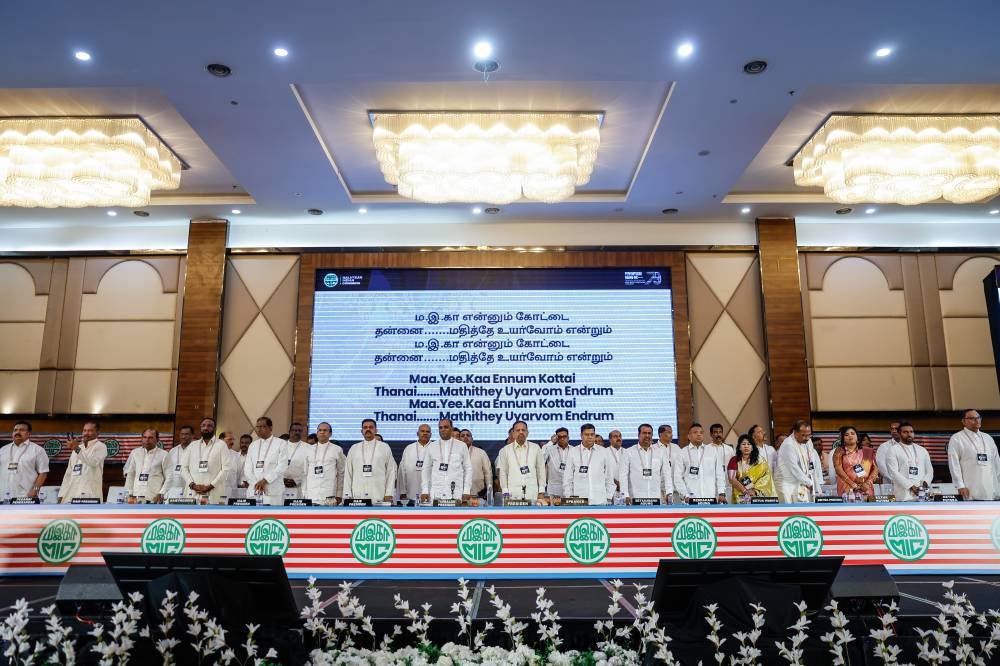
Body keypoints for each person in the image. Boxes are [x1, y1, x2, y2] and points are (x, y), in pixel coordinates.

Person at [948, 409, 1000, 500]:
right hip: (970, 490)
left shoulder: (988, 438)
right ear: (963, 421)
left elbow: (997, 463)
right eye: (972, 418)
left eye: (978, 417)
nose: (977, 420)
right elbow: (954, 464)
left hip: (992, 489)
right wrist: (960, 485)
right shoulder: (957, 438)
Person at [344, 419, 397, 502]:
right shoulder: (354, 448)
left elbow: (391, 472)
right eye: (365, 427)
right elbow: (348, 473)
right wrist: (347, 494)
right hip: (357, 495)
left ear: (376, 430)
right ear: (361, 431)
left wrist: (389, 493)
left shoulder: (384, 447)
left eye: (371, 427)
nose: (368, 429)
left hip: (379, 494)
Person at [562, 423, 615, 505]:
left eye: (592, 434)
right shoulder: (573, 452)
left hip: (600, 500)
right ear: (581, 435)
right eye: (587, 434)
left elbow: (609, 477)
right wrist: (569, 498)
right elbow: (567, 478)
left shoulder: (604, 452)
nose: (590, 437)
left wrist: (608, 497)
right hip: (579, 501)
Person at [421, 418, 471, 503]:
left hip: (456, 493)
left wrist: (466, 490)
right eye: (440, 428)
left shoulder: (461, 446)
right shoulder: (432, 446)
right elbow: (426, 469)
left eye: (446, 427)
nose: (443, 430)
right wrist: (425, 490)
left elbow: (468, 469)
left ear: (451, 428)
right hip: (436, 492)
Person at [673, 423, 727, 503]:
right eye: (695, 432)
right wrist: (685, 494)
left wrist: (721, 493)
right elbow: (677, 477)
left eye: (701, 432)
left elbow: (720, 474)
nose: (699, 434)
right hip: (690, 499)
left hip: (710, 497)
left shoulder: (712, 451)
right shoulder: (682, 453)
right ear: (689, 436)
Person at [774, 420, 823, 503]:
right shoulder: (788, 445)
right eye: (803, 435)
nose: (806, 438)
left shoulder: (808, 441)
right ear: (795, 433)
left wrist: (813, 480)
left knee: (803, 507)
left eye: (809, 435)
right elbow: (794, 468)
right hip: (786, 484)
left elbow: (810, 460)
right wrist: (809, 482)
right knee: (789, 510)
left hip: (800, 482)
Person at [185, 417, 232, 504]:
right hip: (193, 492)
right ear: (200, 427)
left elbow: (226, 469)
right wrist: (193, 485)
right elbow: (184, 468)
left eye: (209, 426)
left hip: (214, 492)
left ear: (214, 428)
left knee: (214, 512)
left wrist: (211, 486)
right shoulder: (192, 445)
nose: (206, 428)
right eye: (203, 425)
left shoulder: (221, 445)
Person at [622, 423, 673, 504]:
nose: (647, 435)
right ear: (638, 435)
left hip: (655, 498)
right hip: (635, 499)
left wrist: (669, 492)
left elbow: (667, 474)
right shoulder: (628, 452)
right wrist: (625, 494)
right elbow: (623, 475)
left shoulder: (661, 452)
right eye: (644, 433)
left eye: (649, 433)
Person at [495, 420, 545, 501]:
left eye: (523, 430)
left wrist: (541, 492)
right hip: (512, 494)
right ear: (513, 433)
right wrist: (505, 492)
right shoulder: (505, 450)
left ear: (527, 432)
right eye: (518, 430)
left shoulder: (536, 448)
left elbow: (541, 471)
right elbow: (503, 473)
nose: (521, 432)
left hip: (532, 493)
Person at [58, 421, 107, 502]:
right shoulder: (77, 448)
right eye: (84, 430)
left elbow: (92, 462)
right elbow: (68, 473)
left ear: (97, 433)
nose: (86, 433)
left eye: (90, 431)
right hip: (72, 493)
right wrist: (61, 494)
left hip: (90, 494)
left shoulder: (101, 446)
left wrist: (77, 449)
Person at [242, 417, 287, 505]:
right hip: (254, 490)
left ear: (270, 428)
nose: (259, 429)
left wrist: (265, 480)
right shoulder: (253, 445)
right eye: (257, 427)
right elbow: (247, 468)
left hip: (273, 491)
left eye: (262, 427)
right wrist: (256, 483)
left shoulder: (281, 443)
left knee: (272, 514)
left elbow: (282, 466)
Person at [884, 422, 932, 501]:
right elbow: (893, 473)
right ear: (899, 434)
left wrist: (924, 485)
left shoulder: (922, 450)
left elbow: (930, 470)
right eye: (905, 432)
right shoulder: (893, 450)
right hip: (903, 495)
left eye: (911, 432)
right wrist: (911, 486)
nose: (909, 434)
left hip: (922, 493)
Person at [0, 421, 48, 499]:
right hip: (3, 495)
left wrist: (35, 490)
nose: (17, 432)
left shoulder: (38, 450)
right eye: (15, 430)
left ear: (29, 433)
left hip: (25, 496)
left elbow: (43, 472)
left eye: (22, 430)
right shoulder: (3, 450)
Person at [301, 421, 344, 505]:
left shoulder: (337, 449)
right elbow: (304, 473)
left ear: (330, 434)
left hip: (330, 493)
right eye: (320, 430)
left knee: (329, 513)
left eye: (325, 430)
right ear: (317, 433)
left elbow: (341, 473)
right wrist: (304, 493)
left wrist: (339, 494)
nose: (322, 432)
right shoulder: (308, 449)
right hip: (311, 493)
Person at [123, 428, 170, 502]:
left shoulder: (164, 455)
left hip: (154, 498)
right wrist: (129, 493)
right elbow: (130, 474)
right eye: (145, 437)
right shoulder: (135, 453)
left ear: (157, 440)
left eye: (151, 437)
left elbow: (169, 477)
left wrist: (161, 493)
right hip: (136, 497)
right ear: (141, 439)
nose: (147, 440)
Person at [831, 425, 878, 498]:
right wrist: (853, 484)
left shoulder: (868, 451)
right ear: (843, 438)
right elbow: (838, 469)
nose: (850, 436)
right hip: (847, 488)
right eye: (846, 435)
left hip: (866, 488)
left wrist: (868, 483)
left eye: (853, 433)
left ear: (857, 437)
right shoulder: (839, 451)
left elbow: (875, 469)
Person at [727, 434, 776, 503]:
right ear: (739, 447)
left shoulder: (760, 461)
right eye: (743, 444)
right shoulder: (734, 460)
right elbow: (732, 479)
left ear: (752, 447)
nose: (746, 446)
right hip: (740, 496)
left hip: (758, 496)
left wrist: (754, 491)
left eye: (749, 444)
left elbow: (766, 477)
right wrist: (745, 491)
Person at [157, 424, 194, 502]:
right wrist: (164, 491)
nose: (183, 436)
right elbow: (167, 472)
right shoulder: (173, 451)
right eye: (182, 434)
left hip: (190, 488)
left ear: (192, 436)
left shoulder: (196, 450)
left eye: (186, 434)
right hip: (174, 488)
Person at [398, 424, 432, 502]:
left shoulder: (435, 448)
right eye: (422, 431)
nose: (425, 433)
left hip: (431, 492)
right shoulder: (409, 448)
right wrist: (402, 491)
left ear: (431, 434)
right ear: (417, 433)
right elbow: (402, 471)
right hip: (411, 492)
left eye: (427, 432)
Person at [461, 429, 493, 501]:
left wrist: (489, 492)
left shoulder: (481, 452)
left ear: (472, 439)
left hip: (478, 494)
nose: (465, 437)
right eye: (462, 436)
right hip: (459, 494)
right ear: (459, 439)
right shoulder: (454, 453)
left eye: (468, 435)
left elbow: (488, 473)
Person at [282, 422, 310, 500]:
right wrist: (281, 479)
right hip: (281, 485)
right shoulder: (281, 446)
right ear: (290, 431)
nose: (297, 432)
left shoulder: (308, 448)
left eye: (299, 431)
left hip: (299, 486)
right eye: (294, 430)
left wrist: (297, 480)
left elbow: (308, 469)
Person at [542, 427, 572, 499]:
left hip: (570, 488)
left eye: (564, 436)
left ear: (568, 437)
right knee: (553, 507)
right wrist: (551, 442)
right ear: (556, 438)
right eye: (559, 437)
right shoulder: (549, 449)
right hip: (554, 488)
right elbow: (541, 460)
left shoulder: (574, 449)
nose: (562, 439)